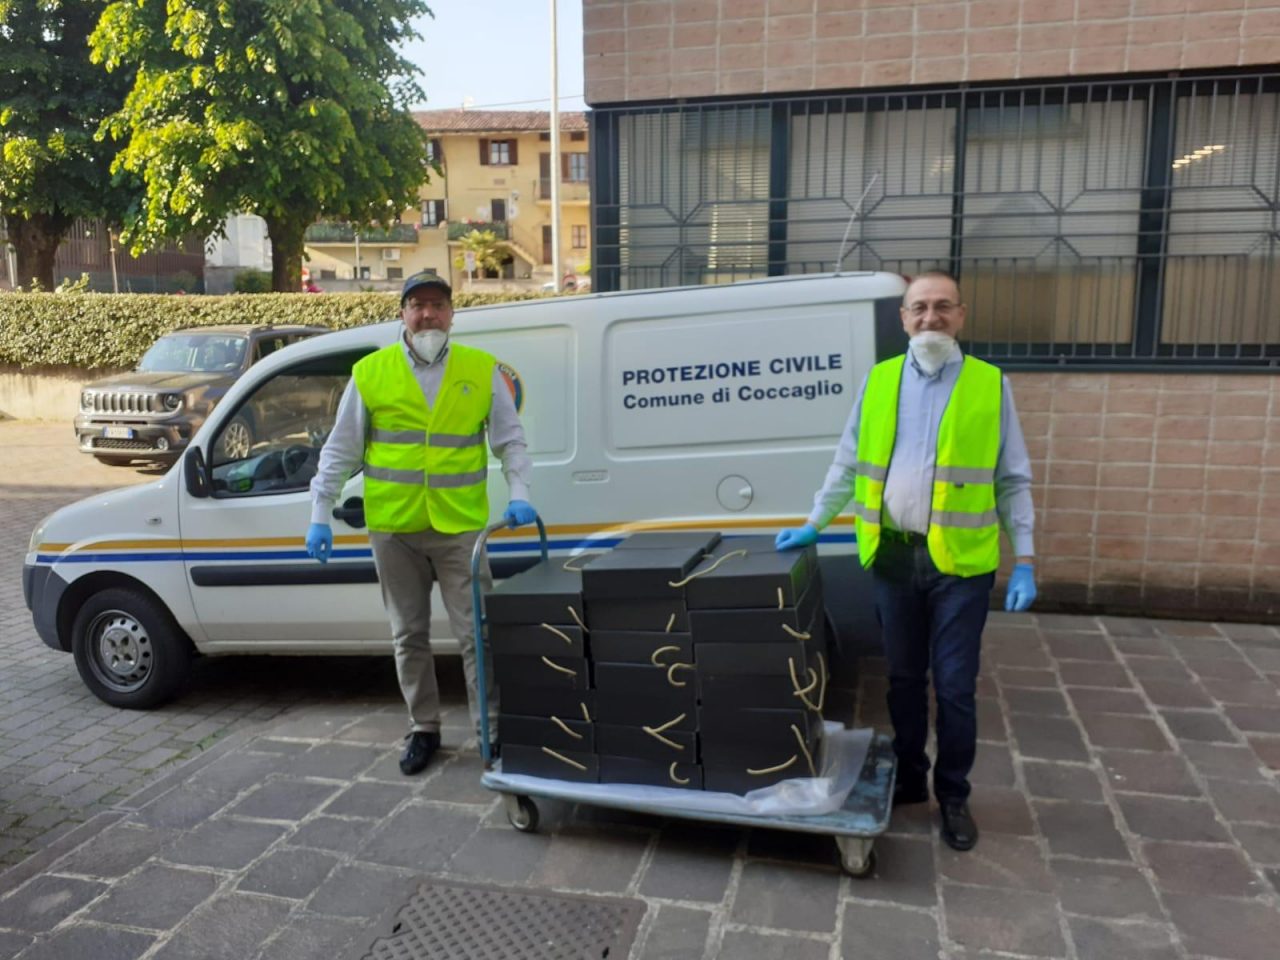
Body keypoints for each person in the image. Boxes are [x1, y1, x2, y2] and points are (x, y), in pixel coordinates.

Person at [776, 270, 1036, 852]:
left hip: (960, 567)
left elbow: (1012, 477)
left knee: (955, 688)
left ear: (961, 316)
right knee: (901, 681)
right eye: (919, 308)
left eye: (943, 307)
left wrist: (1027, 559)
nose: (930, 318)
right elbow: (848, 464)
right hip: (892, 558)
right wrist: (815, 522)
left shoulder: (990, 386)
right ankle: (911, 779)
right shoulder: (880, 381)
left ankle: (955, 796)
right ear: (903, 318)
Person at [305, 272, 536, 775]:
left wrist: (520, 494)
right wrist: (320, 511)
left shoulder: (481, 369)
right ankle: (423, 729)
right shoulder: (371, 372)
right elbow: (341, 448)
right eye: (417, 305)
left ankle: (489, 735)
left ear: (452, 314)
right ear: (402, 314)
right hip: (394, 530)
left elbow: (510, 440)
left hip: (460, 531)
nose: (427, 314)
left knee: (478, 635)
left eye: (437, 304)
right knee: (407, 636)